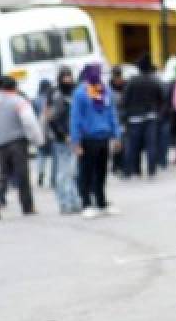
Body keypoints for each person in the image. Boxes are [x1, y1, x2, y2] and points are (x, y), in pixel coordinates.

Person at [0, 76, 43, 219]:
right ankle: (27, 206)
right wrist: (38, 139)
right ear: (15, 87)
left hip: (0, 143)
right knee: (22, 175)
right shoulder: (18, 101)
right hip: (17, 141)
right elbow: (29, 121)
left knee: (2, 175)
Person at [70, 63, 120, 218]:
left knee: (102, 172)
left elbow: (112, 113)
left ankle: (101, 201)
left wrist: (116, 134)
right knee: (86, 172)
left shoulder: (105, 91)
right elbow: (75, 117)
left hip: (103, 137)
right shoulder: (80, 93)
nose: (96, 75)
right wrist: (76, 140)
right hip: (88, 137)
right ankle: (86, 203)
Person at [46, 66, 81, 214]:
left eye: (69, 76)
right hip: (63, 139)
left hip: (72, 137)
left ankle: (74, 202)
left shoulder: (72, 93)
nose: (68, 79)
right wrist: (63, 135)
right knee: (64, 173)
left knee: (72, 172)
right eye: (65, 77)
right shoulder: (58, 96)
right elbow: (52, 119)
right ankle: (65, 203)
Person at [122, 54, 162, 178]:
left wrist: (125, 115)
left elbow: (125, 99)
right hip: (151, 116)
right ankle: (151, 170)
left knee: (133, 145)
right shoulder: (154, 80)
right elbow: (161, 97)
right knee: (151, 144)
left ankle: (133, 170)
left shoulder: (132, 81)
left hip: (134, 118)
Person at [32, 79, 54, 188]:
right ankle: (52, 177)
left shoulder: (35, 100)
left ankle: (40, 173)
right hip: (51, 130)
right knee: (54, 155)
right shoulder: (52, 98)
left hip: (39, 130)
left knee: (41, 153)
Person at [108, 65, 127, 175]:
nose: (118, 79)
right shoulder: (108, 89)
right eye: (116, 77)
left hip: (123, 119)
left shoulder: (126, 86)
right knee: (116, 144)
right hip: (113, 119)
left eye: (119, 76)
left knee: (122, 143)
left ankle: (122, 165)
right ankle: (116, 165)